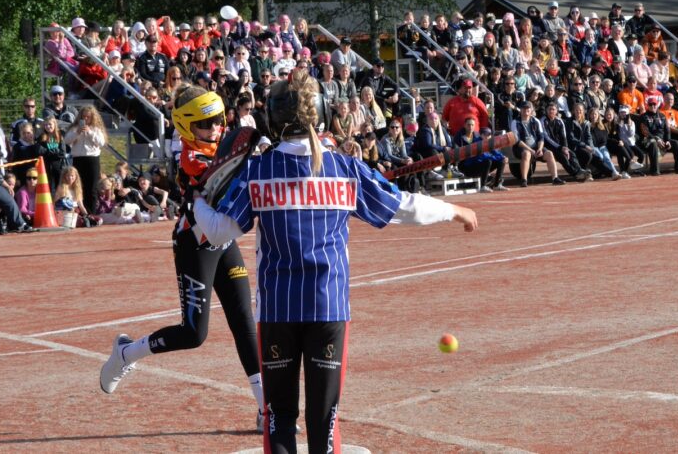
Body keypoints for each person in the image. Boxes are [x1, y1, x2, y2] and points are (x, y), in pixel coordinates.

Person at [160, 69, 479, 454]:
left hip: (277, 309)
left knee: (279, 419)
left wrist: (194, 199)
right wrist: (453, 210)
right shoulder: (344, 167)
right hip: (328, 306)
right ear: (323, 112)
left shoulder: (259, 169)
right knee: (323, 421)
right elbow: (402, 207)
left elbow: (219, 231)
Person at [100, 85, 268, 434]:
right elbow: (226, 181)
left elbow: (238, 158)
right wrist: (256, 155)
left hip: (224, 243)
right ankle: (127, 353)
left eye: (218, 120)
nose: (215, 128)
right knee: (194, 334)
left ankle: (266, 409)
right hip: (194, 244)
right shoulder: (191, 158)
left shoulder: (222, 146)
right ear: (186, 126)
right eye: (205, 124)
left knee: (244, 322)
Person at [64, 106, 107, 216]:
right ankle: (81, 213)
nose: (86, 119)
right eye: (84, 117)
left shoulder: (96, 129)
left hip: (92, 159)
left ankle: (91, 213)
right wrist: (77, 132)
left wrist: (90, 133)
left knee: (92, 188)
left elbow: (101, 143)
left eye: (88, 117)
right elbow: (66, 140)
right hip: (78, 159)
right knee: (79, 187)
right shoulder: (74, 128)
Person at [510, 101, 565, 187]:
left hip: (536, 147)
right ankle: (524, 180)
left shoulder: (536, 121)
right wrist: (530, 150)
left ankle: (555, 178)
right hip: (521, 148)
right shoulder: (515, 122)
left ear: (531, 110)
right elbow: (517, 140)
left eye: (528, 108)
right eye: (524, 108)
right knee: (526, 154)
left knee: (549, 153)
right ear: (520, 110)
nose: (526, 110)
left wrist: (539, 148)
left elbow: (541, 137)